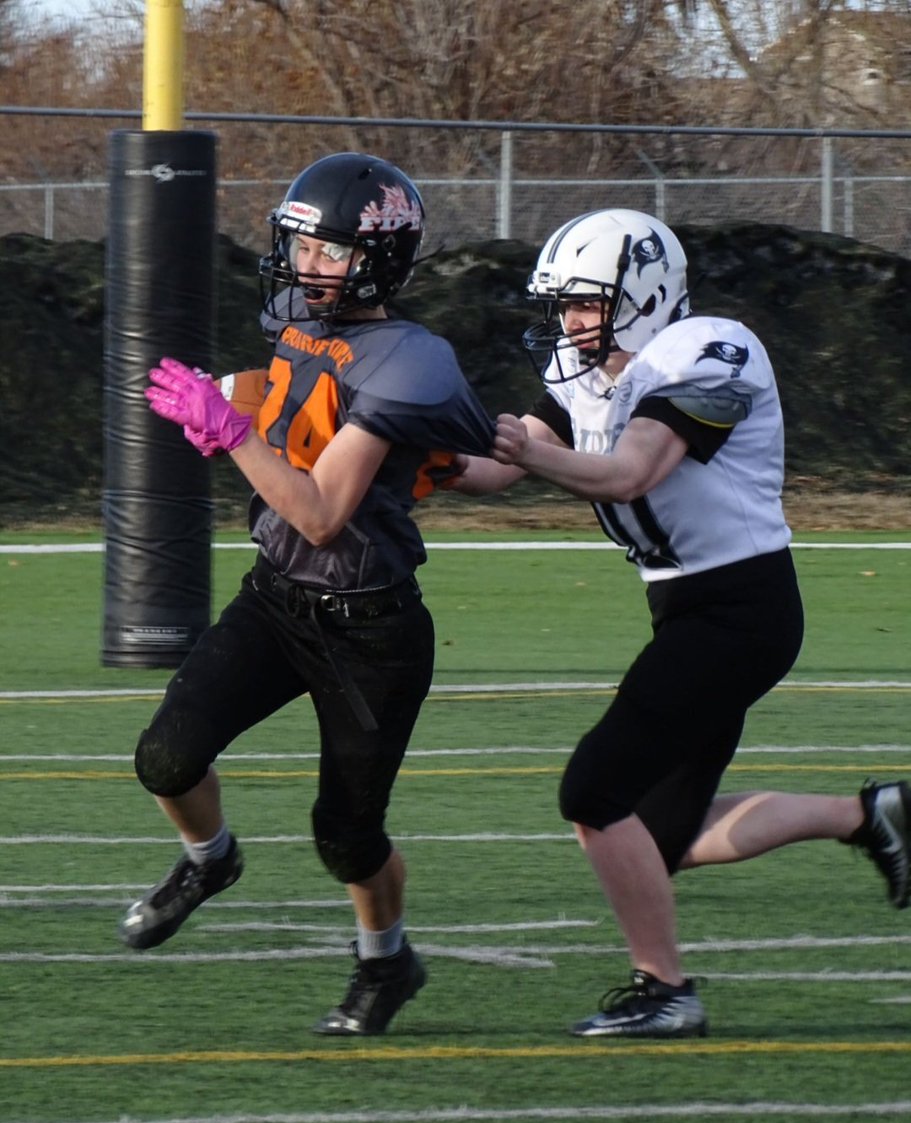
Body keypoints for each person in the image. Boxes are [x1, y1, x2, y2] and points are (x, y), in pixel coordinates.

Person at [453, 207, 911, 1038]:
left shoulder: (706, 350)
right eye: (562, 306)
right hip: (688, 611)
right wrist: (410, 456)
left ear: (644, 293)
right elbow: (494, 466)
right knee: (652, 842)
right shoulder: (583, 375)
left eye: (586, 303)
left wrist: (529, 451)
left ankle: (664, 989)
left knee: (593, 792)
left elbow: (630, 473)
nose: (570, 322)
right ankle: (869, 815)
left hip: (741, 609)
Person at [118, 152, 495, 1037]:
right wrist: (245, 403)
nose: (305, 266)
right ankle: (209, 861)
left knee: (345, 837)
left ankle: (385, 962)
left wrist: (230, 429)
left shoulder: (412, 357)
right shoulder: (299, 321)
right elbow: (309, 408)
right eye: (298, 245)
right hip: (276, 598)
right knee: (164, 759)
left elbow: (322, 512)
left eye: (327, 251)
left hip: (372, 628)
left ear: (379, 258)